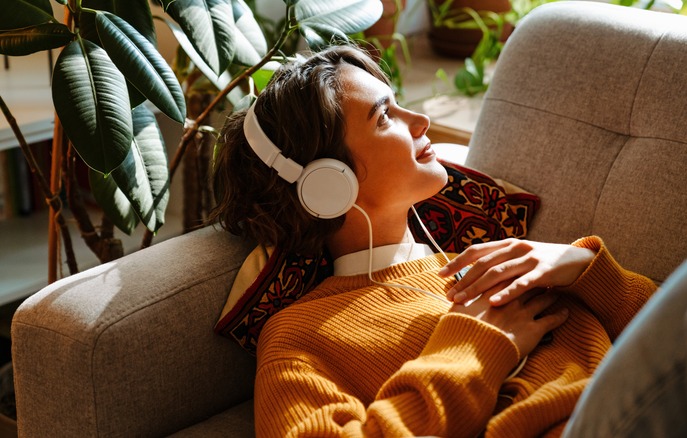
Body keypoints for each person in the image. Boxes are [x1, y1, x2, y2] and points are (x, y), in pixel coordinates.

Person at [210, 45, 657, 437]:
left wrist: (582, 269)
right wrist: (473, 348)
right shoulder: (299, 336)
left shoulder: (497, 259)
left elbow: (679, 327)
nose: (421, 120)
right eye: (385, 116)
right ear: (328, 184)